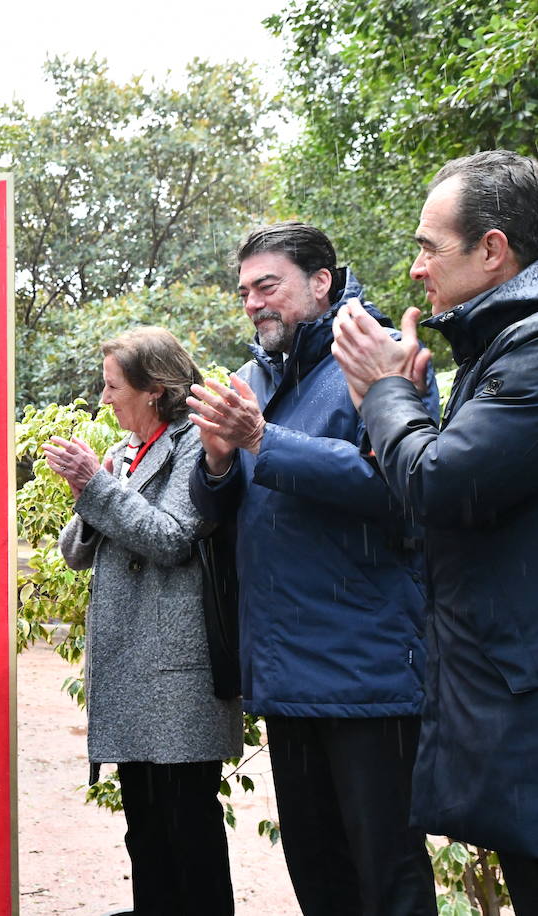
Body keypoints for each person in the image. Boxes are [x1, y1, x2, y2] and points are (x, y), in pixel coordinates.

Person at [185, 222, 438, 915]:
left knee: (389, 878)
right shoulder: (252, 378)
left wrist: (262, 438)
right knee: (318, 877)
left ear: (321, 282)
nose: (252, 303)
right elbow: (221, 506)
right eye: (244, 292)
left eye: (268, 286)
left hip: (368, 673)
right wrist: (215, 459)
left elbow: (399, 487)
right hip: (284, 672)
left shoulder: (379, 357)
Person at [332, 149, 538, 911]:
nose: (418, 267)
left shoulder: (530, 349)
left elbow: (440, 483)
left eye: (429, 246)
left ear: (492, 250)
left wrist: (384, 392)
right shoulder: (497, 346)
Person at [44, 327, 241, 916]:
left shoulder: (192, 442)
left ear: (154, 391)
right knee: (146, 832)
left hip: (176, 673)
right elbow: (75, 553)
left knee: (189, 830)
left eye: (112, 387)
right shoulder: (134, 448)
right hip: (135, 672)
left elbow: (172, 537)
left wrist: (99, 484)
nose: (104, 400)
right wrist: (98, 482)